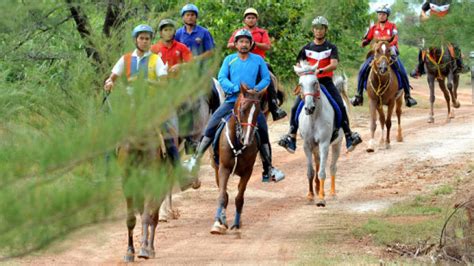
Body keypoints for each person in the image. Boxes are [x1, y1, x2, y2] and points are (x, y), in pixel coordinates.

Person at [186, 29, 285, 182]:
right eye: (241, 41)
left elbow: (266, 79)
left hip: (251, 102)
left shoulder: (258, 60)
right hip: (232, 100)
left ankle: (268, 168)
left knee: (263, 131)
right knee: (211, 125)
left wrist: (255, 90)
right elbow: (222, 77)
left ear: (251, 44)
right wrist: (235, 89)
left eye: (247, 42)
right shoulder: (229, 59)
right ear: (236, 44)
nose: (244, 44)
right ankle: (195, 160)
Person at [278, 16, 362, 154]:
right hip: (309, 84)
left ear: (325, 30)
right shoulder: (306, 48)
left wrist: (320, 70)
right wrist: (304, 73)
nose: (319, 31)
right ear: (313, 30)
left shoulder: (331, 47)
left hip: (325, 82)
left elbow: (334, 64)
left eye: (321, 28)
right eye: (316, 29)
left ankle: (348, 135)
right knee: (294, 108)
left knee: (340, 105)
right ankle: (291, 137)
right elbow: (299, 64)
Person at [103, 24, 182, 168]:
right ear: (136, 40)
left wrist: (147, 81)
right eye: (142, 38)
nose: (145, 41)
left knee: (167, 134)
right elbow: (112, 78)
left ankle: (179, 172)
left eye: (147, 39)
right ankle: (107, 174)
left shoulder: (156, 60)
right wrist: (109, 83)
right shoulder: (125, 59)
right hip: (129, 106)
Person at [350, 5, 417, 108]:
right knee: (362, 69)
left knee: (401, 70)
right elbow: (368, 38)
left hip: (389, 51)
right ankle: (359, 95)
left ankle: (408, 96)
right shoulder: (373, 27)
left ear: (387, 16)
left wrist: (386, 43)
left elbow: (395, 39)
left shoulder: (392, 26)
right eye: (379, 14)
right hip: (377, 53)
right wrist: (364, 42)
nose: (381, 16)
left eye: (383, 14)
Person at [227, 8, 287, 121]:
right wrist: (241, 44)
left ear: (256, 19)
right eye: (248, 18)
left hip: (259, 62)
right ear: (244, 20)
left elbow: (267, 46)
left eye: (253, 18)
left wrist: (255, 44)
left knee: (269, 77)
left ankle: (274, 105)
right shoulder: (238, 32)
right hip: (241, 59)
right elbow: (229, 44)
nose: (250, 20)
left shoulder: (262, 32)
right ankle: (227, 98)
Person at [175, 3, 216, 153]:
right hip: (183, 75)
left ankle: (217, 120)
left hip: (201, 73)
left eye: (192, 14)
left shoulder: (204, 33)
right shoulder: (178, 34)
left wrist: (196, 59)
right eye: (187, 14)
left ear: (196, 17)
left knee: (214, 92)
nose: (190, 17)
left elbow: (211, 52)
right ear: (183, 17)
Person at [410, 0, 468, 78]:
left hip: (446, 27)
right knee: (423, 47)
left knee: (455, 45)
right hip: (433, 27)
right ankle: (420, 68)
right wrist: (425, 16)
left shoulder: (449, 1)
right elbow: (423, 10)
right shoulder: (430, 1)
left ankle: (460, 65)